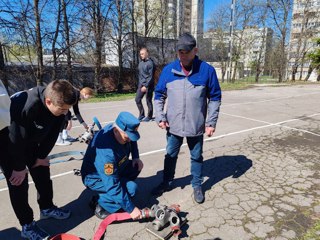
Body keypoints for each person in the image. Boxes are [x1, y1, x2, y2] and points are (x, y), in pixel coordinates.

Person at [0, 79, 77, 240]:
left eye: (67, 110)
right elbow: (15, 140)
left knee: (43, 174)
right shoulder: (27, 106)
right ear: (48, 101)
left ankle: (47, 208)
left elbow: (53, 133)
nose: (65, 113)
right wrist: (20, 168)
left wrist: (41, 157)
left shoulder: (58, 103)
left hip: (30, 142)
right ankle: (27, 225)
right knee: (18, 183)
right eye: (62, 109)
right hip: (8, 145)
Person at [151, 33, 222, 204]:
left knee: (196, 156)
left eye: (186, 52)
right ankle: (167, 181)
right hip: (173, 125)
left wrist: (210, 122)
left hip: (195, 126)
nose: (182, 56)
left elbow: (215, 98)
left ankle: (197, 184)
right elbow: (159, 95)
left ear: (195, 51)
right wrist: (160, 116)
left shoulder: (206, 71)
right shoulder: (168, 70)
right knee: (170, 155)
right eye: (179, 52)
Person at [81, 111, 143, 220]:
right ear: (115, 131)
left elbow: (132, 138)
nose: (129, 139)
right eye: (127, 137)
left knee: (136, 167)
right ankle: (100, 203)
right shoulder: (106, 154)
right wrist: (131, 209)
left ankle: (116, 196)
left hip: (117, 166)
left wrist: (135, 157)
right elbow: (113, 184)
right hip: (95, 178)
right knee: (132, 189)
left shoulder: (120, 129)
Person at [135, 47, 156, 122]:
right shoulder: (140, 63)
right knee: (137, 99)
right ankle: (141, 114)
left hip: (149, 85)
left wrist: (146, 86)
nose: (141, 55)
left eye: (142, 54)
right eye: (140, 54)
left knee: (148, 100)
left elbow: (151, 76)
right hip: (141, 84)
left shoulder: (151, 63)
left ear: (147, 53)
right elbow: (140, 75)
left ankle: (149, 116)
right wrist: (140, 84)